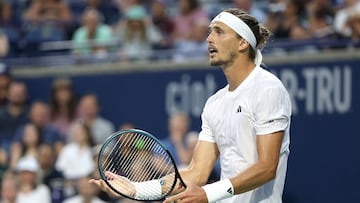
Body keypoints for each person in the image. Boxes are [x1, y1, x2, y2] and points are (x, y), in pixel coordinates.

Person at [90, 7, 292, 203]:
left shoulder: (267, 89)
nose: (209, 39)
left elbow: (267, 167)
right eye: (210, 32)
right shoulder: (215, 103)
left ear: (242, 43)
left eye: (219, 32)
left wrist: (208, 194)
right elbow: (196, 173)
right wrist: (137, 189)